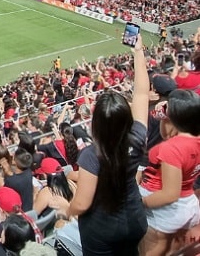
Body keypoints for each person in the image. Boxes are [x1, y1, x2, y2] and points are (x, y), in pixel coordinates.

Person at [50, 33, 150, 255]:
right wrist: (138, 51)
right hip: (135, 219)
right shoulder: (136, 136)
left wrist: (67, 208)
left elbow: (83, 204)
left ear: (96, 125)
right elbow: (142, 94)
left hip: (103, 230)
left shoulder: (91, 156)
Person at [138, 89, 200, 256]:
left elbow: (169, 194)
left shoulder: (172, 148)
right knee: (174, 251)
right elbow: (167, 134)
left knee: (150, 252)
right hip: (187, 204)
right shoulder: (194, 139)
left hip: (164, 210)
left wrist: (139, 202)